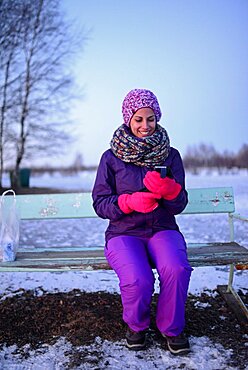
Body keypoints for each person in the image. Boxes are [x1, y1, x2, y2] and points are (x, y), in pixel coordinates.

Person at [92, 88, 193, 355]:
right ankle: (136, 326)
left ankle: (171, 328)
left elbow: (179, 203)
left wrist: (171, 192)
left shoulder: (170, 155)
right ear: (128, 119)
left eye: (150, 119)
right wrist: (127, 202)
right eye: (139, 119)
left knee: (177, 268)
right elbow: (100, 202)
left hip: (162, 229)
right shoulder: (110, 158)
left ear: (157, 118)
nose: (145, 126)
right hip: (124, 233)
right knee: (138, 279)